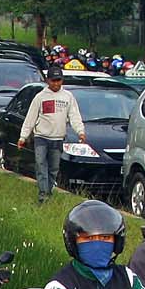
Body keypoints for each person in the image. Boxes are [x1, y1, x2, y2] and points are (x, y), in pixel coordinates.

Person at [15, 66, 87, 204]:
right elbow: (30, 118)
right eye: (53, 80)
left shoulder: (68, 97)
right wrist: (23, 137)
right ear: (48, 81)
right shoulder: (40, 97)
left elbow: (74, 116)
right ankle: (43, 195)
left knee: (53, 169)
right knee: (41, 164)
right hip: (41, 138)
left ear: (62, 80)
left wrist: (80, 131)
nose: (56, 84)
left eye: (58, 80)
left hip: (58, 138)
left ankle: (48, 192)